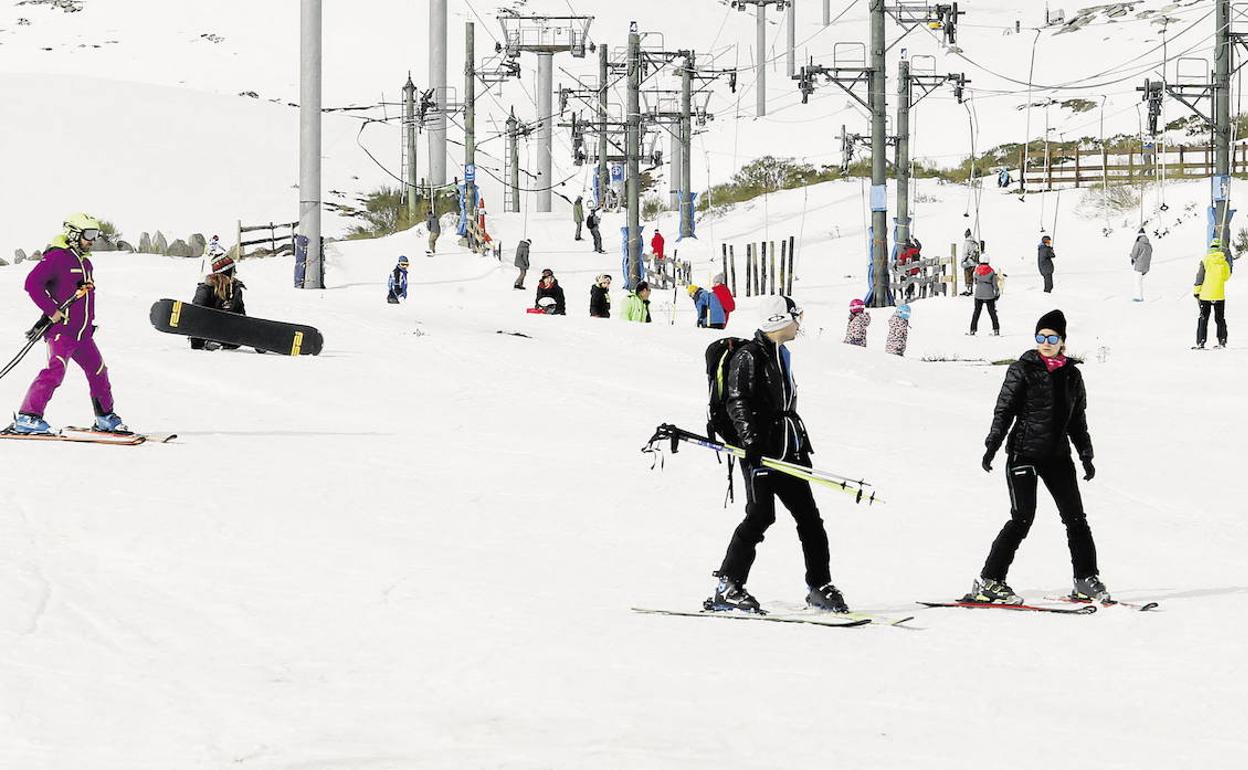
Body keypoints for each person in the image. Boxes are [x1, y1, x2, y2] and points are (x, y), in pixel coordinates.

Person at [708, 295, 847, 614]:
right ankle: (727, 586)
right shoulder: (748, 356)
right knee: (760, 516)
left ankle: (820, 586)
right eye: (797, 316)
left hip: (789, 450)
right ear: (779, 321)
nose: (800, 323)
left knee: (810, 519)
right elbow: (736, 401)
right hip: (760, 452)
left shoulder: (781, 353)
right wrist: (751, 442)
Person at [972, 309, 1108, 605]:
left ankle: (1086, 579)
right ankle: (990, 581)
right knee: (1022, 518)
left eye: (1052, 337)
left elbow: (1077, 420)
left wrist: (1086, 454)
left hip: (1058, 456)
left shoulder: (1073, 375)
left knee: (1076, 519)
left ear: (1063, 341)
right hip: (1024, 454)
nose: (1046, 342)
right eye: (1041, 336)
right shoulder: (1022, 369)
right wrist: (993, 444)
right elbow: (1004, 410)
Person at [9, 213, 126, 434]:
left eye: (96, 235)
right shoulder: (57, 258)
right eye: (89, 234)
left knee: (99, 371)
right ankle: (27, 417)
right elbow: (32, 284)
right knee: (55, 371)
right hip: (62, 332)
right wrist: (51, 311)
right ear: (73, 234)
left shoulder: (87, 263)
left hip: (83, 335)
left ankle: (105, 417)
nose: (93, 239)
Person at [190, 254, 248, 350]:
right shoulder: (206, 289)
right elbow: (196, 314)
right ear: (226, 273)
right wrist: (199, 341)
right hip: (208, 333)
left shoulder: (236, 290)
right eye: (233, 271)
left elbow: (242, 315)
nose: (235, 273)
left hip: (229, 338)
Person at [1193, 237, 1231, 349]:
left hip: (1205, 294)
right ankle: (1222, 340)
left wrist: (1196, 291)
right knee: (1220, 318)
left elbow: (1200, 277)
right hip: (1219, 294)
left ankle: (1201, 341)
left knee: (1203, 318)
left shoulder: (1205, 260)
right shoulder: (1224, 262)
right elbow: (1226, 277)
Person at [969, 254, 1001, 336]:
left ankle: (972, 329)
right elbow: (995, 284)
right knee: (992, 312)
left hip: (978, 294)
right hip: (989, 294)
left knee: (976, 312)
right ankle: (996, 329)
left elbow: (975, 281)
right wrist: (997, 292)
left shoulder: (977, 271)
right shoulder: (991, 271)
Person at [1129, 228, 1152, 303]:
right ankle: (1142, 296)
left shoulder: (1138, 243)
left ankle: (1139, 297)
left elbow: (1134, 253)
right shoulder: (1149, 245)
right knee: (1141, 282)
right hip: (1146, 267)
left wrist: (1132, 257)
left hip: (1139, 266)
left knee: (1137, 282)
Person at [961, 229, 981, 296]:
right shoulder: (974, 242)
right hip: (974, 262)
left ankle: (968, 290)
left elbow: (965, 253)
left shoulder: (967, 242)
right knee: (971, 276)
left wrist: (962, 261)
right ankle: (971, 289)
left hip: (968, 262)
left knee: (967, 275)